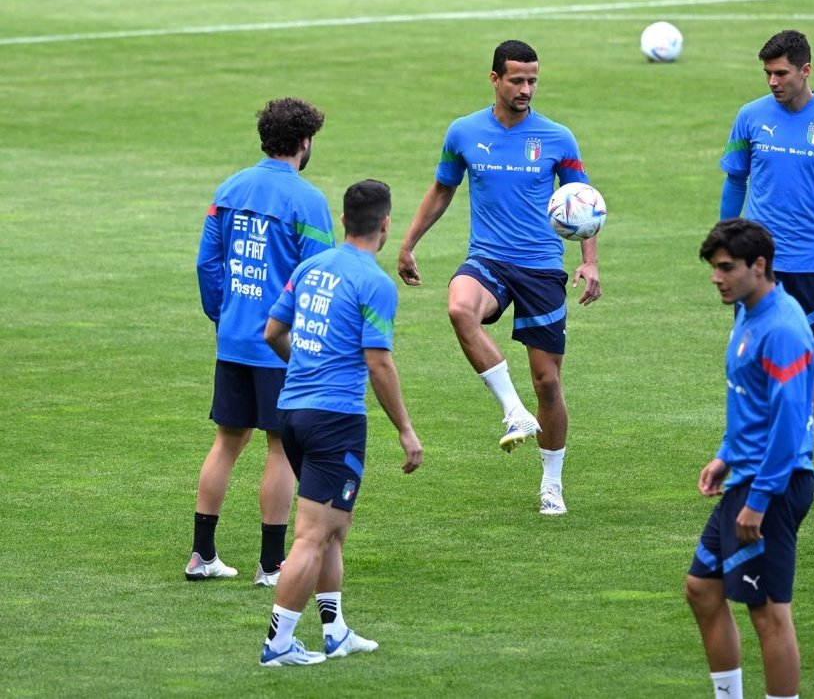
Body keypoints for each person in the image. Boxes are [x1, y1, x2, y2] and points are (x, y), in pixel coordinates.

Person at [396, 39, 601, 516]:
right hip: (488, 259)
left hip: (541, 267)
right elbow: (442, 189)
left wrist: (589, 261)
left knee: (547, 382)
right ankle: (513, 410)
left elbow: (583, 201)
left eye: (532, 80)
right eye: (517, 80)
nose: (526, 88)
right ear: (495, 79)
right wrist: (408, 243)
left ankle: (552, 481)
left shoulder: (557, 138)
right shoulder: (464, 132)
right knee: (458, 306)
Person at [258, 179, 423, 667]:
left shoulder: (311, 267)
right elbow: (379, 364)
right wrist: (406, 430)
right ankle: (278, 644)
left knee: (332, 529)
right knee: (311, 535)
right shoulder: (374, 283)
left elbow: (273, 332)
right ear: (386, 224)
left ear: (343, 220)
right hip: (335, 421)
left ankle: (335, 631)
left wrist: (306, 370)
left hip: (292, 412)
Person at [190, 97, 335, 585]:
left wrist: (223, 313)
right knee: (280, 447)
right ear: (304, 142)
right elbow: (317, 277)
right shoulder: (307, 200)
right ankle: (271, 565)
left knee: (227, 441)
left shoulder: (229, 188)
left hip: (233, 337)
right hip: (281, 345)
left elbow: (208, 263)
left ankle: (202, 555)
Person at [686, 218, 814, 699]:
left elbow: (791, 420)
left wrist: (759, 498)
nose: (716, 278)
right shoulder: (748, 310)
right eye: (714, 268)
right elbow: (754, 401)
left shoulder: (782, 328)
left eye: (726, 268)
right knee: (702, 589)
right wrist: (726, 454)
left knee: (768, 613)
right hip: (747, 473)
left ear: (759, 266)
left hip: (773, 485)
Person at [719, 29, 814, 375]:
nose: (773, 81)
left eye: (781, 73)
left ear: (806, 70)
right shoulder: (749, 116)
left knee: (801, 369)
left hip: (810, 264)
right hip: (757, 264)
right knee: (753, 363)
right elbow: (735, 181)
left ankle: (802, 432)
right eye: (767, 73)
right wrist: (724, 247)